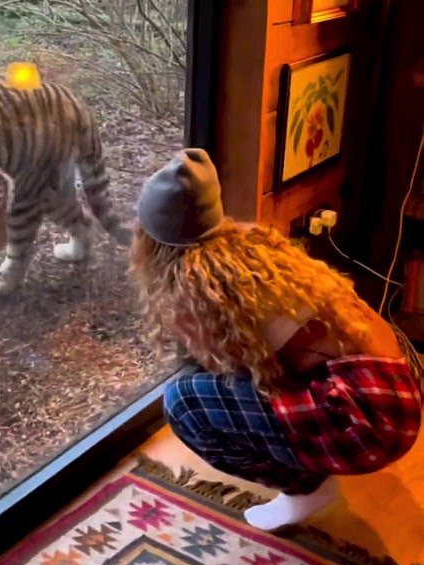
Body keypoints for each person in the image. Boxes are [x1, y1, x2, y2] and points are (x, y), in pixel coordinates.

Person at [130, 147, 423, 532]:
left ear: (152, 241)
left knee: (185, 402)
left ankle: (304, 490)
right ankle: (318, 454)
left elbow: (228, 372)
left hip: (370, 423)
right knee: (242, 378)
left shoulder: (200, 292)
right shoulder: (256, 248)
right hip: (399, 386)